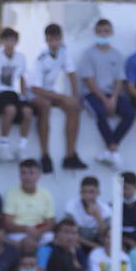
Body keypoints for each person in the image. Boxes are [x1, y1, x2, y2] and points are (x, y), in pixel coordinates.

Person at [29, 23, 86, 172]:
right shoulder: (40, 58)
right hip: (34, 94)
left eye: (56, 39)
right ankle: (45, 155)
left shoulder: (63, 52)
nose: (54, 43)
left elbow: (71, 73)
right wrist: (62, 97)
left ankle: (70, 155)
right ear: (46, 40)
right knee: (45, 107)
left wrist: (74, 95)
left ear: (60, 39)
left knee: (74, 107)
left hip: (49, 92)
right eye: (51, 40)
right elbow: (35, 88)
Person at [77, 18, 134, 168]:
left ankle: (111, 149)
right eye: (100, 31)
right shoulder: (89, 54)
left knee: (130, 113)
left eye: (106, 31)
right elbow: (89, 80)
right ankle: (113, 150)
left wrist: (114, 98)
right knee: (99, 112)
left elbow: (119, 80)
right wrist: (104, 99)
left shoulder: (117, 54)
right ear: (95, 33)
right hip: (92, 94)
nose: (103, 34)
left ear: (111, 33)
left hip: (112, 94)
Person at [0, 27, 30, 165]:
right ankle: (3, 146)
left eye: (13, 40)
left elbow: (22, 77)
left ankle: (22, 148)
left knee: (28, 111)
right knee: (10, 110)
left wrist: (23, 95)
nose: (10, 43)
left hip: (13, 93)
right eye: (7, 40)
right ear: (2, 41)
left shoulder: (21, 57)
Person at [4, 157, 57, 248]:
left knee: (55, 239)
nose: (27, 177)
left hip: (40, 230)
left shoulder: (46, 194)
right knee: (27, 243)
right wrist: (26, 229)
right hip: (19, 233)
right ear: (19, 175)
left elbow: (50, 222)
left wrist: (38, 231)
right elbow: (8, 223)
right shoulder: (11, 193)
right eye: (23, 173)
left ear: (38, 175)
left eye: (31, 173)